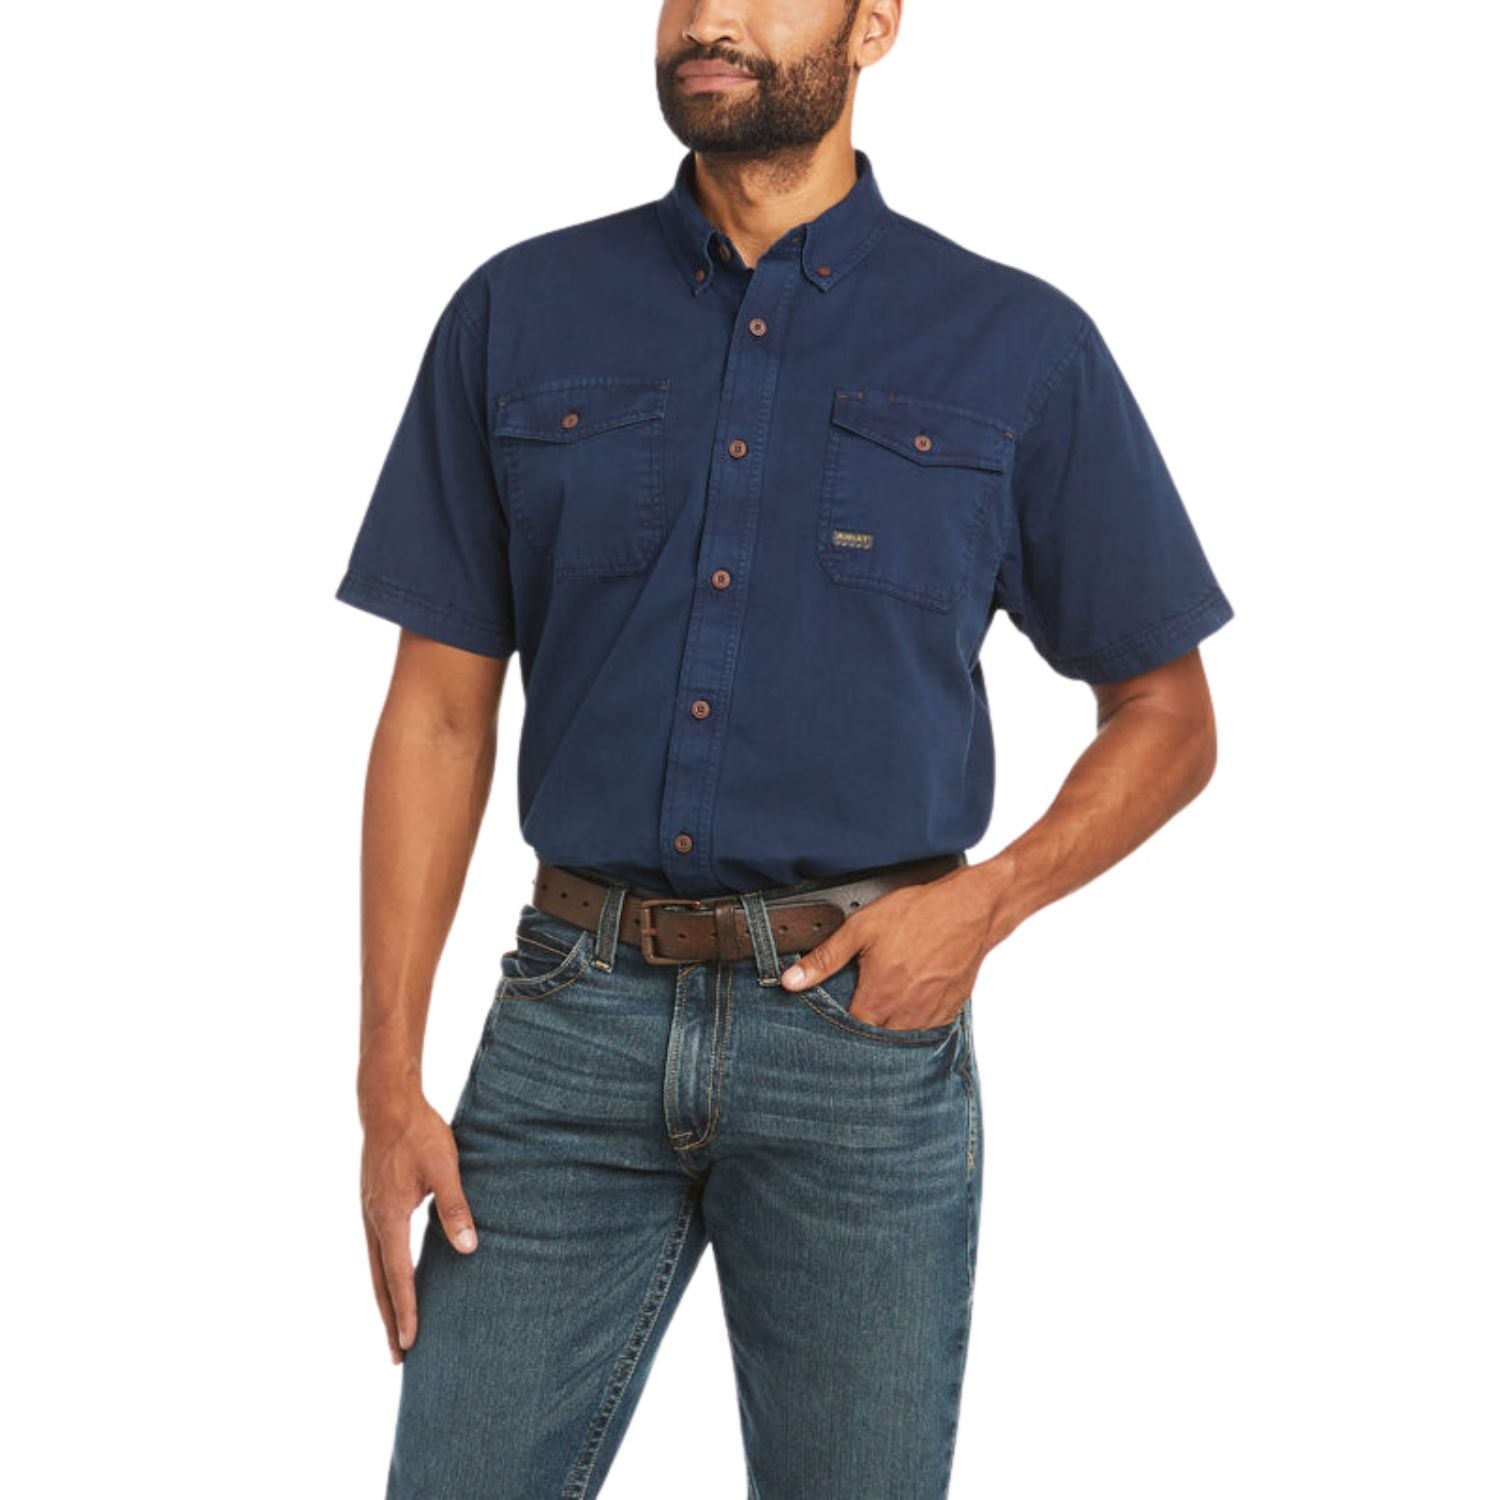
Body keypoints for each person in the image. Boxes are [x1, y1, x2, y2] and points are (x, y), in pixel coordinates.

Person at [337, 2, 1234, 1495]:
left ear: (874, 23)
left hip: (862, 1043)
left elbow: (1170, 713)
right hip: (569, 1026)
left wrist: (985, 904)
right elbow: (435, 712)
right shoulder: (519, 313)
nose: (710, 18)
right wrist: (387, 1082)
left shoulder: (1017, 345)